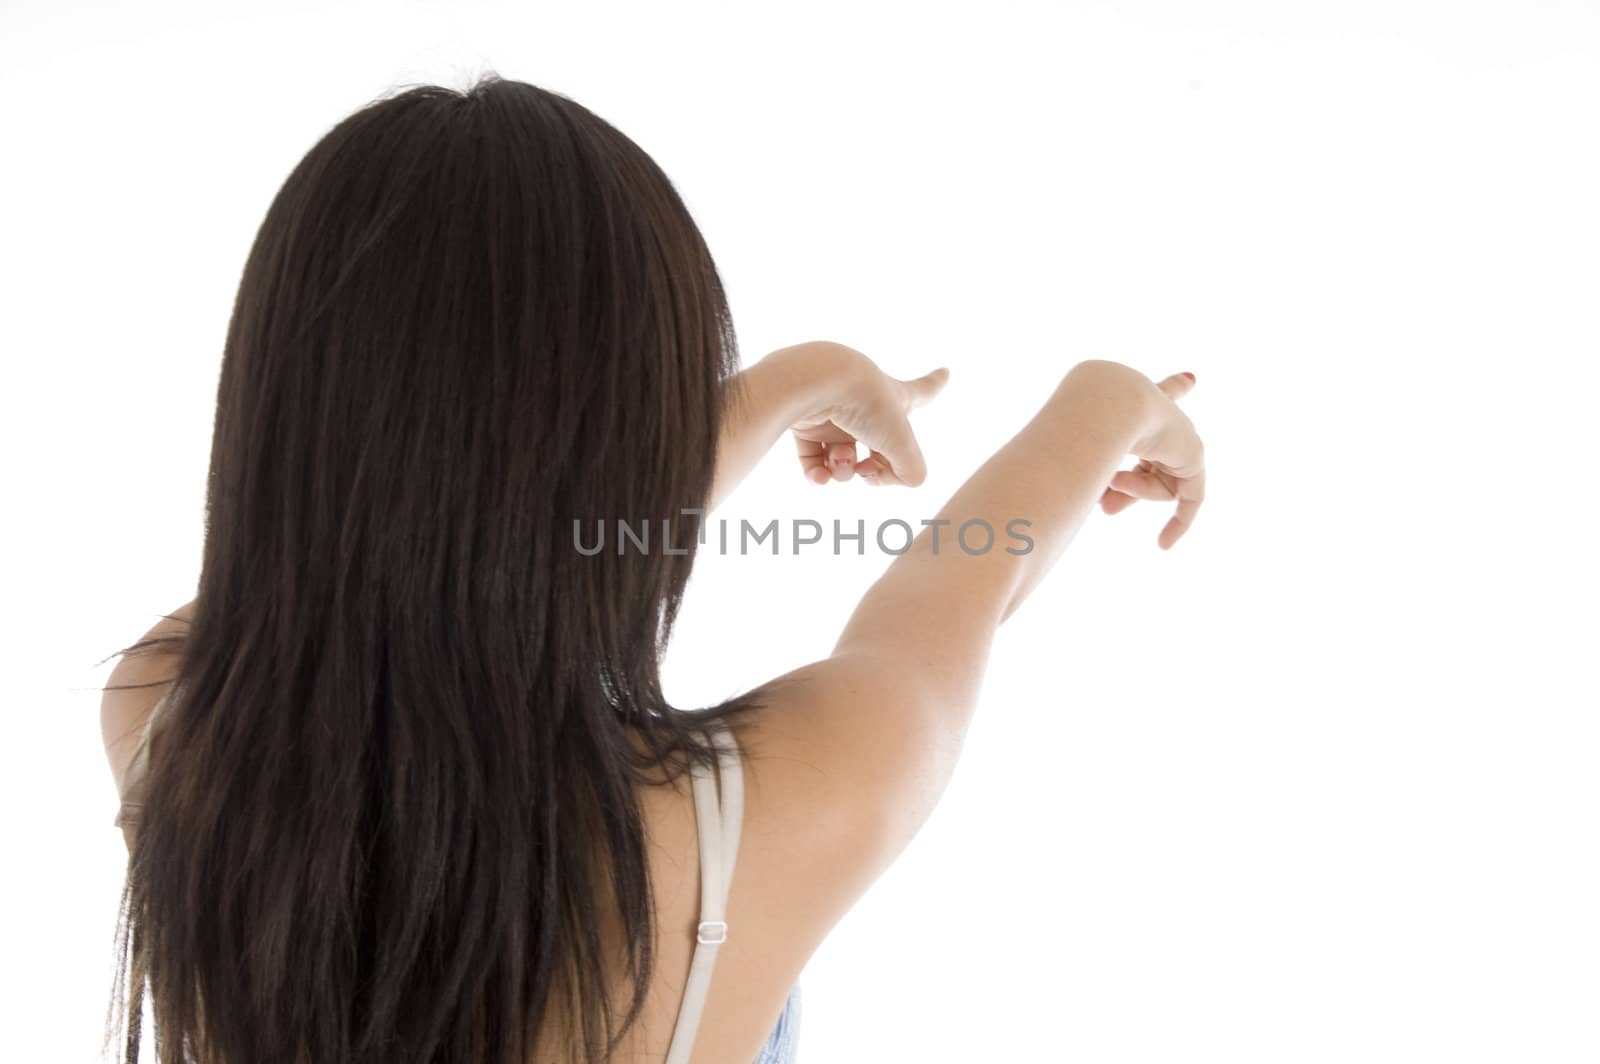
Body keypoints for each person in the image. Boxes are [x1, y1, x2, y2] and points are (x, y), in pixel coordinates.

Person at [99, 75, 1205, 1064]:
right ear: (632, 425)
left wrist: (774, 392)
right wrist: (1108, 403)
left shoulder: (165, 711)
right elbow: (968, 575)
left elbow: (427, 548)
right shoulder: (759, 816)